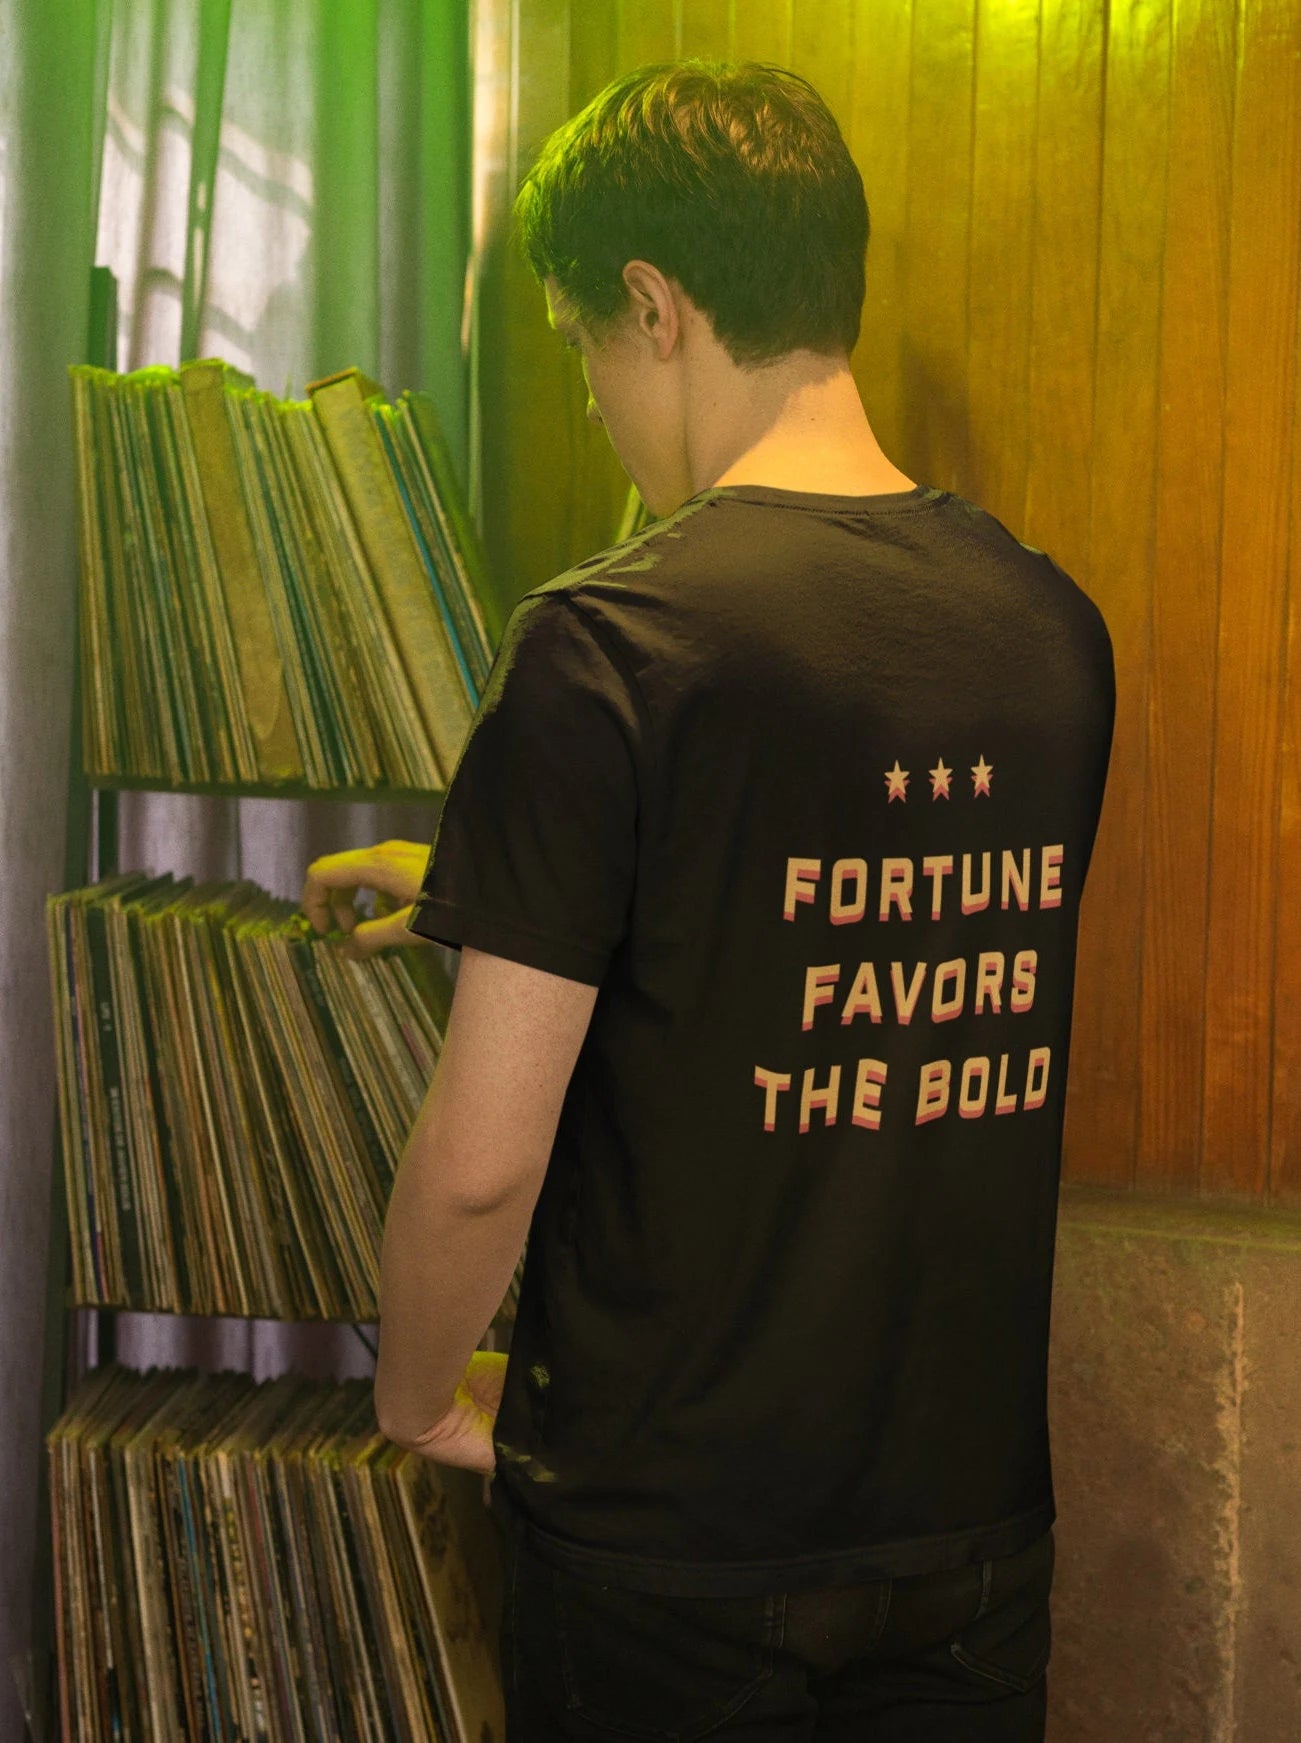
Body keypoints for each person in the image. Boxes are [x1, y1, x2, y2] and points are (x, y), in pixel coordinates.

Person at [301, 58, 1115, 1742]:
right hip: (964, 1542)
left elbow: (482, 1165)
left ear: (655, 307)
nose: (595, 400)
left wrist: (416, 1400)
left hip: (668, 1553)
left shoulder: (609, 642)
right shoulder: (1051, 630)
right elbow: (849, 924)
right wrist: (488, 886)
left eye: (580, 344)